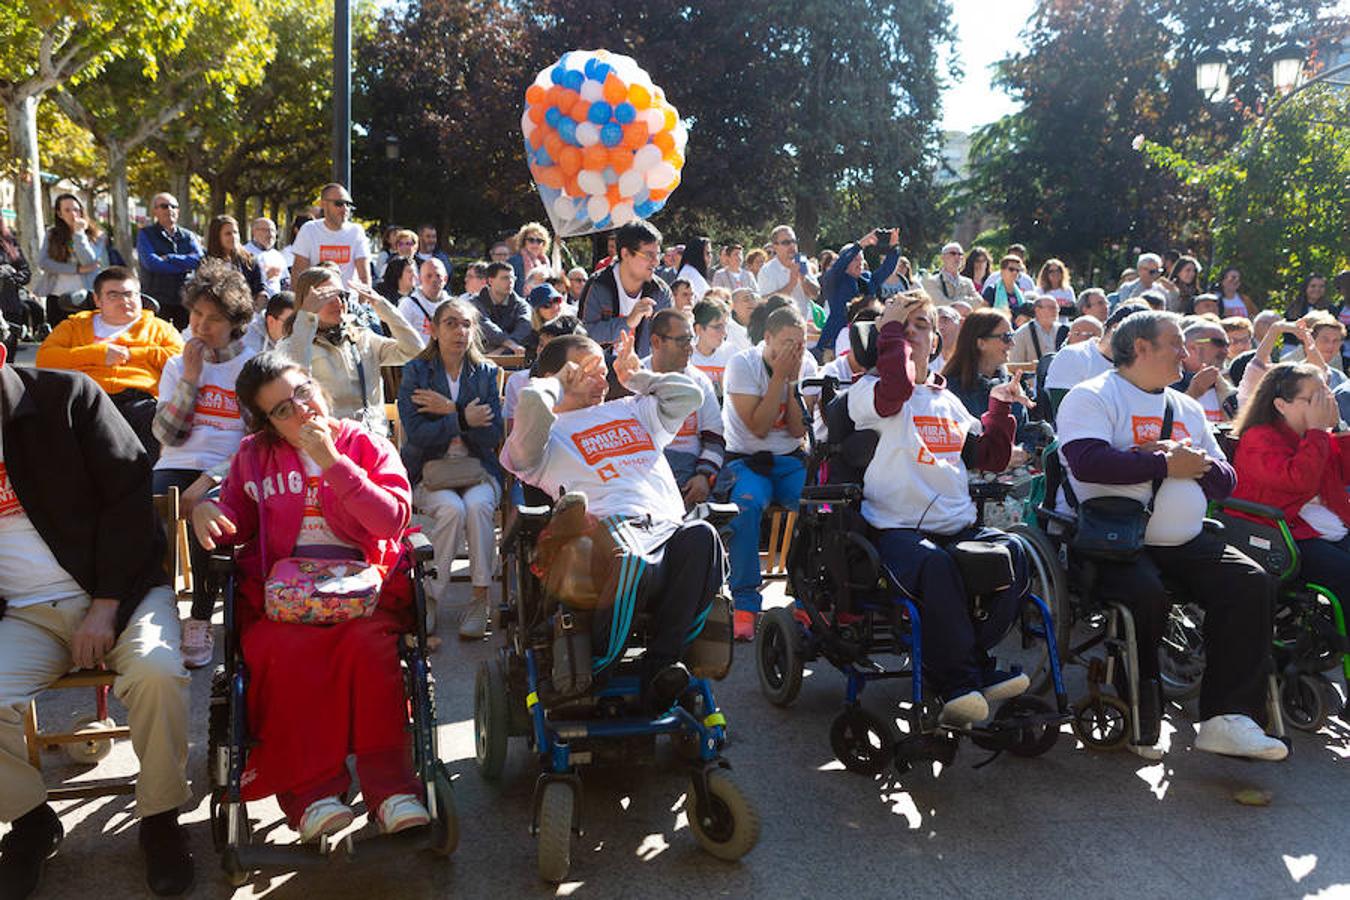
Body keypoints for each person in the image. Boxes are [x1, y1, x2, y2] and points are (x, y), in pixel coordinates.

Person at [190, 352, 431, 843]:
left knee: (369, 649)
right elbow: (229, 511)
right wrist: (204, 509)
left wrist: (333, 463)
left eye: (302, 392)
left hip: (363, 593)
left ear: (316, 386)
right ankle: (312, 795)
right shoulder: (254, 457)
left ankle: (390, 790)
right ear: (268, 425)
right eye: (281, 410)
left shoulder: (366, 443)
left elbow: (390, 522)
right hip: (282, 602)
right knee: (282, 653)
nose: (300, 411)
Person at [0, 339, 193, 898]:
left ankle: (159, 821)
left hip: (121, 594)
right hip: (24, 613)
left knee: (158, 675)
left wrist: (107, 603)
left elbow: (132, 497)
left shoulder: (67, 398)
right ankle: (31, 822)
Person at [1056, 310, 1286, 761]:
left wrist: (1194, 462)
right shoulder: (1092, 397)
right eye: (1176, 344)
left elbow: (1226, 479)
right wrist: (1161, 464)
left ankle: (1228, 718)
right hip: (1116, 541)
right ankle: (1143, 709)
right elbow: (1086, 461)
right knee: (1147, 595)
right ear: (1140, 348)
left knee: (1250, 580)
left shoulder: (1186, 407)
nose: (1186, 354)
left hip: (1185, 539)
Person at [502, 330, 724, 711]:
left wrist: (637, 378)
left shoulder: (633, 409)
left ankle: (661, 667)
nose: (603, 379)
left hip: (666, 529)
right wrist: (555, 383)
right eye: (589, 370)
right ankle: (599, 666)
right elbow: (532, 404)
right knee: (630, 556)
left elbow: (691, 395)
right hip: (605, 537)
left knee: (704, 536)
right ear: (559, 374)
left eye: (603, 370)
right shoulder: (545, 433)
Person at [847, 290, 1032, 725]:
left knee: (1015, 554)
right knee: (937, 567)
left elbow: (989, 458)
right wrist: (890, 329)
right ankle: (963, 678)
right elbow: (896, 390)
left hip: (958, 527)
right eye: (903, 324)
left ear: (936, 340)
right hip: (897, 532)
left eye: (923, 325)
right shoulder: (868, 390)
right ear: (886, 334)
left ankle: (967, 664)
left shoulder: (946, 399)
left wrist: (1001, 406)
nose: (913, 333)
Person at [150, 260, 257, 668]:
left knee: (208, 521)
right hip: (175, 462)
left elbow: (256, 441)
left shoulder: (250, 366)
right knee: (145, 521)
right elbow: (167, 436)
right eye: (196, 314)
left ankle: (199, 618)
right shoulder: (179, 363)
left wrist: (211, 478)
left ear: (235, 322)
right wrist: (191, 379)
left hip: (228, 466)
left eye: (214, 318)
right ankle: (155, 614)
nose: (201, 326)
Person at [397, 299, 502, 638]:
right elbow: (417, 434)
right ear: (434, 329)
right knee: (452, 509)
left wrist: (448, 410)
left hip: (477, 468)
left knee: (478, 505)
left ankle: (479, 598)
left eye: (467, 324)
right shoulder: (417, 371)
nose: (460, 331)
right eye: (451, 323)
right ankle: (431, 597)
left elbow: (491, 435)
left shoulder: (484, 372)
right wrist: (461, 418)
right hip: (431, 470)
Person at [722, 305, 818, 640]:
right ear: (768, 339)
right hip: (747, 460)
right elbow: (760, 427)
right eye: (788, 342)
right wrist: (778, 377)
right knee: (746, 507)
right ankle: (746, 603)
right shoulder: (742, 365)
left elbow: (795, 430)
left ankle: (808, 596)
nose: (795, 350)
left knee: (816, 508)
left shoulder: (806, 365)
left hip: (789, 460)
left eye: (801, 343)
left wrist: (790, 384)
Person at [1230, 362, 1350, 610]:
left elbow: (1344, 473)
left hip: (1320, 525)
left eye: (1325, 395)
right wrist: (1318, 431)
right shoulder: (1259, 438)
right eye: (1314, 399)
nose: (1323, 404)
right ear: (1281, 405)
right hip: (1279, 533)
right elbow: (1298, 480)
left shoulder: (1316, 434)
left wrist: (1337, 427)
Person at [36, 266, 184, 458]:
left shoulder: (160, 328)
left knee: (153, 421)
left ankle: (147, 484)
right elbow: (45, 359)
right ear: (98, 300)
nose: (124, 301)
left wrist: (132, 355)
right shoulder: (73, 326)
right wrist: (98, 354)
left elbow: (179, 360)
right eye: (113, 295)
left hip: (138, 400)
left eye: (130, 294)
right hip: (86, 398)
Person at [276, 266, 420, 437]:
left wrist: (383, 308)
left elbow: (414, 351)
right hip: (331, 443)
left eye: (341, 295)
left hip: (374, 439)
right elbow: (294, 378)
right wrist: (306, 318)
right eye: (327, 297)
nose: (338, 303)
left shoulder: (362, 336)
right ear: (307, 302)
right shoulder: (293, 344)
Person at [646, 308, 724, 507]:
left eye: (690, 339)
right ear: (656, 342)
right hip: (648, 470)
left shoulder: (699, 381)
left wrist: (704, 476)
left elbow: (715, 438)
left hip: (692, 470)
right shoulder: (634, 379)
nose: (690, 348)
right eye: (682, 340)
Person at [577, 219, 673, 361]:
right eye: (648, 255)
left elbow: (666, 343)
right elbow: (583, 337)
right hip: (600, 374)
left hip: (643, 376)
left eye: (658, 254)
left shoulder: (660, 292)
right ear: (625, 253)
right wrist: (628, 322)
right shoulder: (598, 285)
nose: (656, 262)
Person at [1044, 301, 1149, 414]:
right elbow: (1064, 412)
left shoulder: (1143, 364)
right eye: (1143, 339)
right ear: (1116, 328)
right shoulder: (1073, 355)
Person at [38, 194, 111, 329]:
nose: (73, 214)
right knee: (60, 340)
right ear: (59, 214)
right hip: (57, 296)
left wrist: (79, 234)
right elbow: (44, 263)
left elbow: (90, 260)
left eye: (76, 209)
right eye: (67, 210)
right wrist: (76, 269)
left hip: (86, 297)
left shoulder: (97, 235)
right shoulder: (52, 234)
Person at [816, 230, 890, 360]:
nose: (860, 263)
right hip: (834, 344)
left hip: (862, 341)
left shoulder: (867, 280)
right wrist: (860, 245)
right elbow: (840, 264)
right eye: (855, 259)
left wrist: (894, 248)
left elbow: (886, 270)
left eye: (862, 259)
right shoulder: (834, 279)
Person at [135, 193, 202, 328]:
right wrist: (184, 266)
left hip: (184, 299)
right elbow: (152, 264)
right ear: (154, 211)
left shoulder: (188, 236)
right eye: (164, 206)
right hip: (156, 298)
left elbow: (199, 259)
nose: (170, 210)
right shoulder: (146, 234)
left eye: (174, 206)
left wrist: (171, 258)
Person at [288, 183, 371, 289]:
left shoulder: (356, 231)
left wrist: (362, 304)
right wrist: (298, 303)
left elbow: (364, 277)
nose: (345, 208)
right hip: (318, 299)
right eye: (339, 203)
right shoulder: (309, 229)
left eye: (348, 204)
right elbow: (299, 273)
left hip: (348, 300)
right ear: (324, 204)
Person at [1175, 319, 1236, 422]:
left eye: (1227, 345)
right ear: (1192, 347)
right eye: (1219, 343)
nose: (1226, 351)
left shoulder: (1228, 386)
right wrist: (1193, 393)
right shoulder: (1166, 383)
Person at [755, 226, 820, 321]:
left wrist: (803, 278)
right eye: (786, 243)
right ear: (775, 247)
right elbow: (765, 302)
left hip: (805, 322)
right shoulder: (767, 270)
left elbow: (815, 294)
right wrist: (791, 284)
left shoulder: (803, 262)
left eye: (794, 241)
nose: (792, 246)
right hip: (780, 325)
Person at [470, 261, 531, 355]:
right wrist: (509, 343)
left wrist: (501, 350)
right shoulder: (475, 303)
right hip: (480, 355)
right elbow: (485, 325)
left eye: (512, 278)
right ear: (490, 281)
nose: (511, 282)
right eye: (505, 278)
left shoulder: (521, 304)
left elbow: (524, 327)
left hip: (512, 357)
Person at [205, 215, 265, 304]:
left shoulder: (249, 260)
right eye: (228, 234)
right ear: (217, 236)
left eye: (235, 232)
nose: (233, 237)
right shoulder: (206, 261)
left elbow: (260, 289)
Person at [397, 257, 452, 345]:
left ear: (445, 279)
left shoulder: (452, 306)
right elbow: (398, 335)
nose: (434, 280)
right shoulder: (408, 305)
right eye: (429, 276)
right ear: (420, 279)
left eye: (438, 276)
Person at [0, 219, 37, 345]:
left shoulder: (8, 242)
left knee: (8, 361)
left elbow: (25, 273)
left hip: (10, 310)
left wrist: (11, 276)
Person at [691, 297, 735, 395]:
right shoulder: (685, 356)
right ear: (698, 329)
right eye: (717, 327)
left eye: (725, 326)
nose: (724, 333)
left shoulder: (732, 353)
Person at [1009, 294, 1067, 365]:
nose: (1055, 311)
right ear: (1037, 310)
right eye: (1051, 308)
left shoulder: (1064, 331)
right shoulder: (1022, 333)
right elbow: (1014, 364)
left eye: (1057, 308)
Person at [922, 241, 980, 306]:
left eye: (960, 254)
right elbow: (941, 304)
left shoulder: (968, 282)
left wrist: (955, 300)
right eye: (953, 253)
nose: (957, 257)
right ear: (943, 257)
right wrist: (964, 299)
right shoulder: (931, 281)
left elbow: (979, 302)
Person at [243, 217, 288, 297]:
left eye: (273, 230)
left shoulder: (277, 255)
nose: (270, 234)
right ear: (254, 231)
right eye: (265, 230)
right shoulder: (244, 253)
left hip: (276, 303)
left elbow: (285, 281)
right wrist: (265, 276)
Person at [507, 222, 550, 298]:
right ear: (524, 242)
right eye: (531, 240)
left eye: (539, 241)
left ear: (544, 244)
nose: (535, 244)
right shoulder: (514, 261)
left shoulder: (545, 262)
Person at [674, 236, 713, 304]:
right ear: (697, 254)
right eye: (707, 253)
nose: (710, 256)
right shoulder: (688, 273)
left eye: (710, 253)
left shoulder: (692, 271)